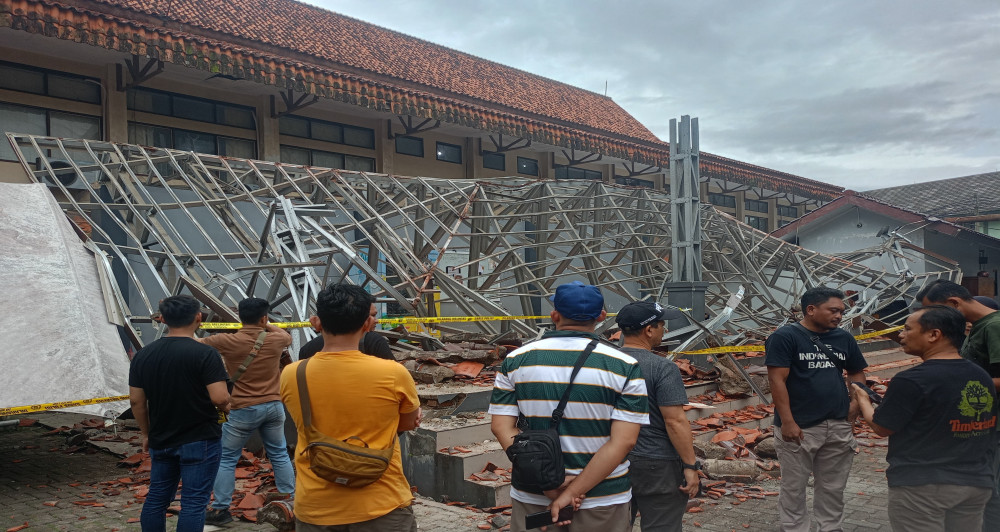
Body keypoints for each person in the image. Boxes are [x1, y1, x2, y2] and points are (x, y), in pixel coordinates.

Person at [489, 281, 649, 532]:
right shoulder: (625, 366)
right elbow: (624, 442)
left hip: (534, 496)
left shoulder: (515, 360)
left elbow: (500, 427)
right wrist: (572, 492)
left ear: (554, 315)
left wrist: (551, 488)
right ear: (601, 317)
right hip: (603, 497)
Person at [280, 284, 421, 531]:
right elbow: (408, 423)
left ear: (316, 322)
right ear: (367, 323)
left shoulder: (292, 374)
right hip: (381, 503)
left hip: (316, 506)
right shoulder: (393, 373)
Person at [853, 305, 997, 531]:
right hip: (975, 482)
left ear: (934, 334)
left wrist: (862, 399)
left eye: (908, 329)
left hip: (923, 487)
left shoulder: (911, 380)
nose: (901, 335)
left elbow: (882, 428)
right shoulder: (981, 376)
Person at [765, 286, 868, 532]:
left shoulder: (843, 338)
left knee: (833, 486)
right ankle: (794, 527)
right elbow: (776, 380)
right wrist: (787, 421)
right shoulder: (785, 337)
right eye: (833, 310)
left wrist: (856, 403)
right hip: (800, 425)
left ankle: (830, 527)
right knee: (794, 486)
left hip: (838, 423)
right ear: (811, 309)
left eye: (842, 311)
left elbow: (855, 371)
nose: (839, 316)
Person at [128, 295, 231, 532]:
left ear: (162, 319)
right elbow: (220, 398)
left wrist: (146, 433)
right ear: (198, 317)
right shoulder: (206, 354)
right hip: (201, 438)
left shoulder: (143, 355)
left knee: (157, 498)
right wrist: (227, 410)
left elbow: (136, 401)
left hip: (161, 438)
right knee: (194, 502)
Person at [200, 297, 296, 525]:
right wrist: (266, 323)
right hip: (274, 406)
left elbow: (197, 344)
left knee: (227, 459)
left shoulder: (226, 340)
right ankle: (289, 498)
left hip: (243, 408)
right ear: (264, 318)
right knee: (279, 453)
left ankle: (221, 509)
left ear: (239, 318)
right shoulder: (277, 339)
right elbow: (286, 336)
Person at [917, 280, 1000, 530]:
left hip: (994, 426)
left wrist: (954, 385)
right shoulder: (978, 326)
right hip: (984, 422)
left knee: (991, 488)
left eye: (937, 312)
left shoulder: (994, 327)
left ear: (954, 303)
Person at [615, 301, 699, 532]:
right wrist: (690, 466)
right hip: (657, 463)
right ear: (649, 330)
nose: (665, 330)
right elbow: (674, 420)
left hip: (611, 460)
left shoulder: (604, 363)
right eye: (662, 325)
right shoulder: (662, 368)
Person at [298, 301, 393, 360]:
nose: (375, 320)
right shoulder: (374, 342)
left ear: (315, 322)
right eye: (372, 316)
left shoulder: (296, 369)